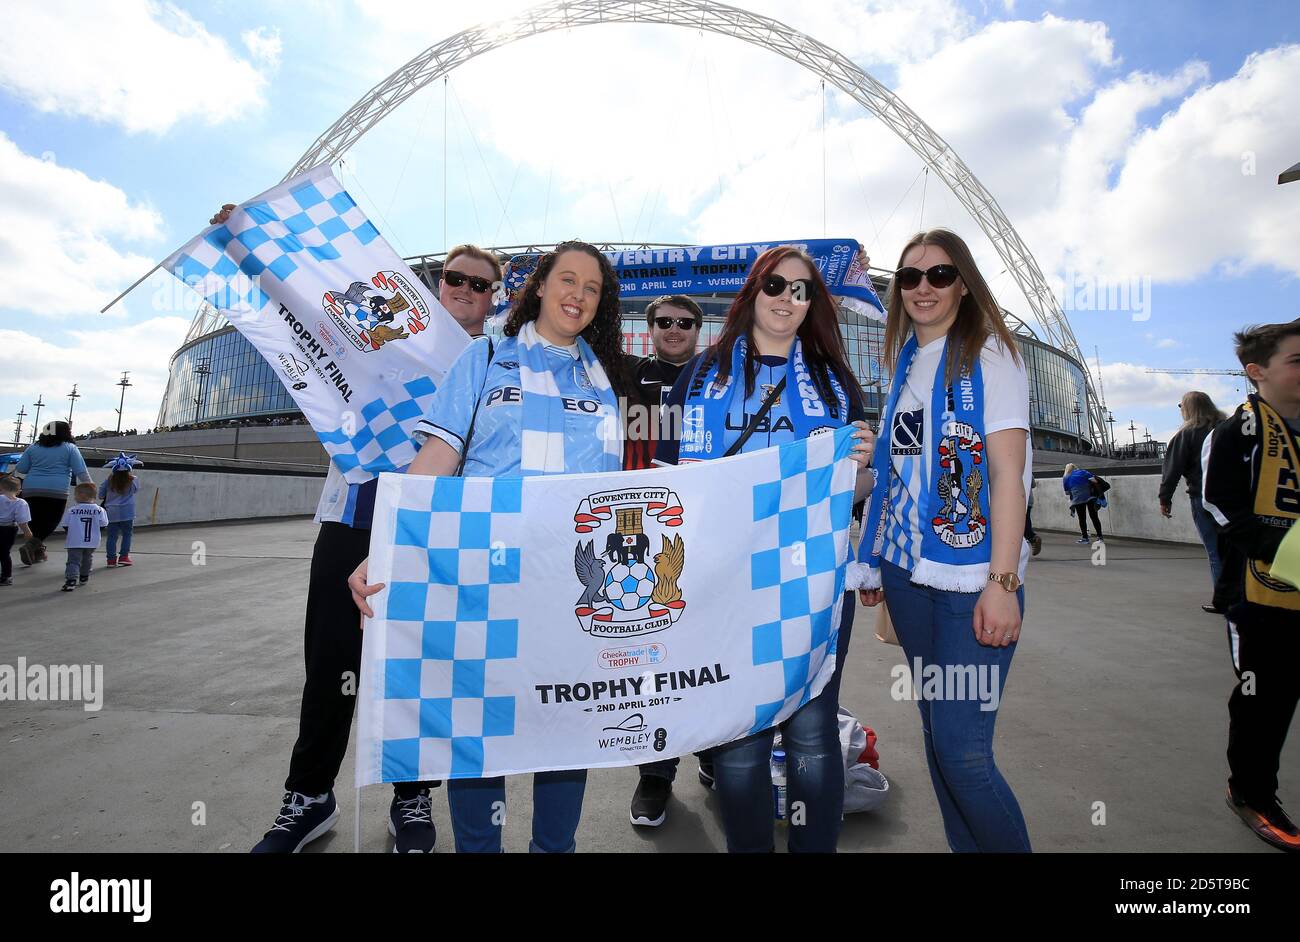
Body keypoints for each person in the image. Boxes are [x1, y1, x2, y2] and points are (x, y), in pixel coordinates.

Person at [350, 240, 629, 853]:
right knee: (478, 733)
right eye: (568, 280)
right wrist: (386, 548)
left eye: (592, 287)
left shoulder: (604, 379)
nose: (578, 294)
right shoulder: (486, 355)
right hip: (483, 577)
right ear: (540, 286)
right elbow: (439, 457)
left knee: (564, 729)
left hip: (571, 585)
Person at [240, 229, 503, 852]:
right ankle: (308, 797)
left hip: (428, 529)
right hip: (352, 517)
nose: (465, 290)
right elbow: (304, 302)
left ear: (494, 297)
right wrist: (247, 243)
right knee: (332, 666)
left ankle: (411, 799)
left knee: (417, 669)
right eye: (454, 278)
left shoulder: (493, 362)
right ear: (438, 284)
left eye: (479, 284)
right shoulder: (377, 337)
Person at [654, 245, 875, 852]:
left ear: (812, 306)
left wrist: (864, 466)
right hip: (723, 578)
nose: (788, 298)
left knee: (811, 734)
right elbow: (665, 477)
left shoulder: (835, 382)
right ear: (754, 290)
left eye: (802, 291)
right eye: (776, 285)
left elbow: (856, 489)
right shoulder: (700, 375)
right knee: (741, 738)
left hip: (815, 580)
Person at [855, 227, 1033, 853]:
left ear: (963, 283)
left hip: (969, 579)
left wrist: (1003, 583)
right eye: (909, 277)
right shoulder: (902, 364)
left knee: (964, 755)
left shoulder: (990, 355)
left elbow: (1009, 476)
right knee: (937, 739)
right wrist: (874, 555)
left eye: (938, 274)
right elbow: (904, 471)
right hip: (908, 575)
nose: (922, 288)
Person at [1202, 322, 1300, 853]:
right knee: (1266, 697)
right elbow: (1219, 505)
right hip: (1259, 596)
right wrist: (1282, 550)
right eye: (1298, 360)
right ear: (1257, 372)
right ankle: (1252, 794)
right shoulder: (1239, 431)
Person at [621, 295, 713, 827]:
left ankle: (714, 751)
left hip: (703, 529)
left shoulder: (717, 377)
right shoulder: (629, 377)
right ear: (649, 328)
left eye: (685, 322)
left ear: (698, 329)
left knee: (706, 649)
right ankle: (654, 775)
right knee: (652, 655)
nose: (674, 329)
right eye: (663, 322)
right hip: (639, 526)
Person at [1159, 391, 1228, 613]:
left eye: (1181, 406)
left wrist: (1165, 498)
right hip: (1235, 499)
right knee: (1237, 549)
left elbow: (1172, 470)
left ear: (1188, 409)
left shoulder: (1186, 434)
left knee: (1214, 551)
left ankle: (1223, 599)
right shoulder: (1227, 429)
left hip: (1203, 498)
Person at [13, 420, 91, 566]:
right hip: (56, 490)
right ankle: (30, 547)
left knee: (34, 522)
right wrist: (90, 487)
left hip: (31, 489)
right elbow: (81, 471)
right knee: (50, 522)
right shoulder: (70, 448)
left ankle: (37, 553)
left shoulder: (33, 447)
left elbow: (21, 469)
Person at [59, 482, 109, 592]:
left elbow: (65, 525)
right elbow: (104, 524)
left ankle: (71, 580)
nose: (74, 497)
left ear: (82, 495)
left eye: (76, 494)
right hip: (92, 541)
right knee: (87, 558)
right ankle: (84, 576)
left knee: (73, 561)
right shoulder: (100, 510)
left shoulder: (72, 510)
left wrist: (73, 532)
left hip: (75, 540)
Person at [99, 453, 142, 567]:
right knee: (127, 534)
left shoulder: (109, 480)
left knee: (112, 536)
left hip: (112, 511)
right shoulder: (134, 480)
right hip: (127, 511)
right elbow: (136, 490)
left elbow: (100, 495)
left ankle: (111, 560)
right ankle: (124, 557)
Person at [0, 475, 34, 586]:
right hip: (10, 529)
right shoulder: (21, 503)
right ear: (19, 491)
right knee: (5, 553)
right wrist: (27, 531)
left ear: (1, 488)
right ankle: (6, 576)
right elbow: (22, 521)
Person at [1062, 462, 1104, 544]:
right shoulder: (1084, 472)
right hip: (1090, 497)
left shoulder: (1066, 477)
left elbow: (1067, 492)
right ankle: (1100, 537)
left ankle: (1085, 538)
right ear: (1075, 468)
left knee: (1082, 518)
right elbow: (1095, 481)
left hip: (1078, 499)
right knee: (1094, 517)